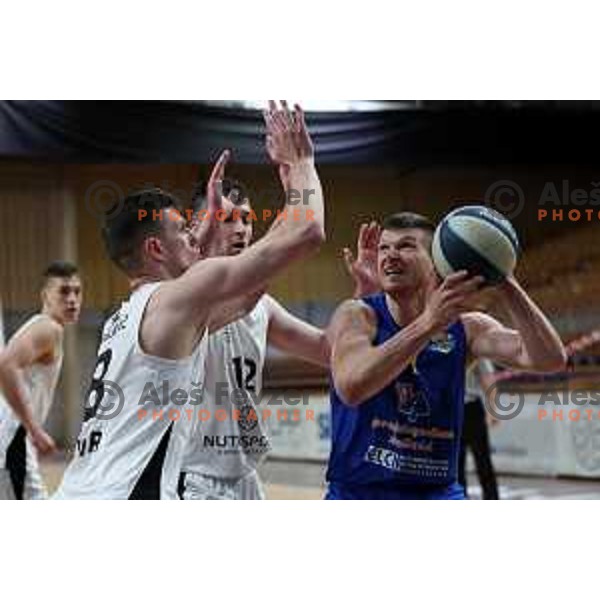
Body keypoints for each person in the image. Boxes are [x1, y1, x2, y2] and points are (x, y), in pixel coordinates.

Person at [53, 100, 326, 499]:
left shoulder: (132, 315)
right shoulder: (176, 301)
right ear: (155, 250)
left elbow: (248, 294)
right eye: (184, 230)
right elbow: (308, 232)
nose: (194, 237)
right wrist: (300, 164)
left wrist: (209, 226)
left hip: (83, 490)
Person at [325, 211, 567, 500]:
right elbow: (352, 387)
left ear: (436, 263)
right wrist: (427, 324)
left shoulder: (468, 327)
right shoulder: (355, 315)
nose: (390, 255)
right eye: (383, 248)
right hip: (359, 495)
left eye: (406, 246)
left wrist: (503, 277)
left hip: (438, 493)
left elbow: (549, 359)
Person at [178, 180, 378, 500]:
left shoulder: (262, 306)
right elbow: (298, 235)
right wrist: (300, 176)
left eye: (246, 219)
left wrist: (364, 298)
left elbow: (327, 349)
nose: (241, 229)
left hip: (244, 475)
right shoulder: (180, 292)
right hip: (192, 475)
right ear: (196, 227)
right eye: (228, 219)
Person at [0, 261, 82, 499]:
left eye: (77, 291)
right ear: (45, 296)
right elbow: (5, 366)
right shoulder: (48, 328)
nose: (72, 299)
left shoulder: (42, 327)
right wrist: (34, 429)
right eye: (64, 291)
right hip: (12, 442)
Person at [458, 359, 499, 499]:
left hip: (471, 409)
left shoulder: (477, 350)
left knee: (482, 460)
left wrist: (492, 410)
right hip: (451, 409)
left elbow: (488, 380)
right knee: (456, 464)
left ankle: (492, 499)